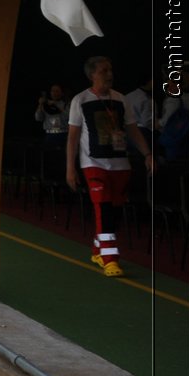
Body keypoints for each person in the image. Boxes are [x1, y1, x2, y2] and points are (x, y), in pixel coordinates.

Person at [66, 56, 155, 277]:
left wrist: (147, 153)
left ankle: (98, 249)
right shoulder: (80, 100)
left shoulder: (121, 99)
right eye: (104, 70)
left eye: (111, 70)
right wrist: (70, 167)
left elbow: (133, 129)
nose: (109, 74)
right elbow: (72, 138)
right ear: (92, 75)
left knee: (114, 212)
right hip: (93, 164)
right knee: (103, 208)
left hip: (120, 164)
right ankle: (110, 259)